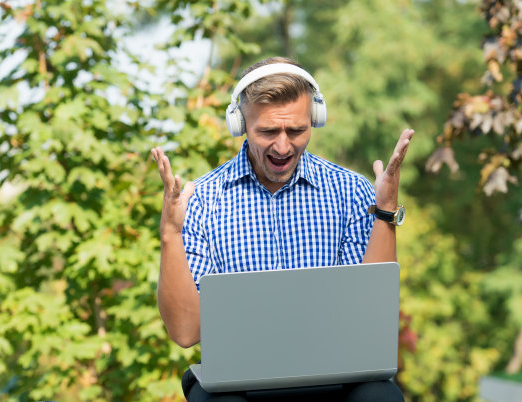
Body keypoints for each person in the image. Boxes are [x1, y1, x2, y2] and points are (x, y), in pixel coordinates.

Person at [151, 56, 413, 401]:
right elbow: (186, 332)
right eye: (268, 131)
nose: (283, 146)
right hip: (239, 385)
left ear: (314, 120)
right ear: (240, 124)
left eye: (297, 130)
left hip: (335, 378)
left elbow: (367, 320)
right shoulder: (202, 200)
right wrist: (170, 235)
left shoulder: (351, 191)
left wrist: (385, 212)